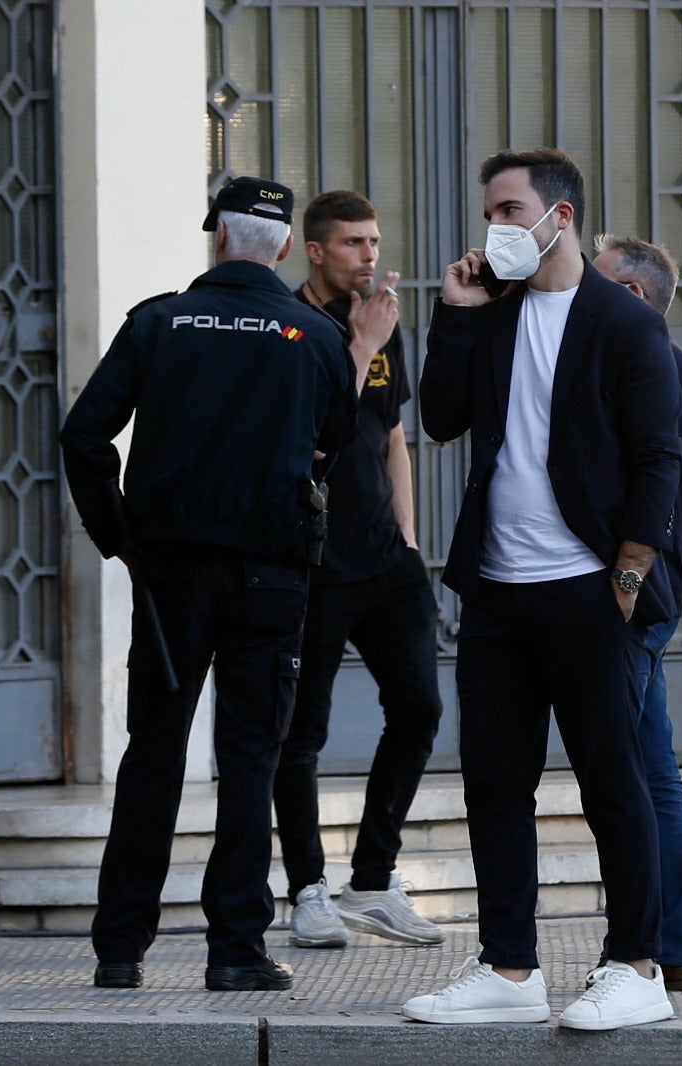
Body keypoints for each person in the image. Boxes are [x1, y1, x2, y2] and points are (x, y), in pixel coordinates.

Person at [402, 148, 682, 1031]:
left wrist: (630, 572)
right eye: (492, 210)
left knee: (614, 781)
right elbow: (441, 418)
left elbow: (659, 460)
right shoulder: (495, 312)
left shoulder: (624, 324)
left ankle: (637, 966)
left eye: (511, 209)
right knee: (494, 782)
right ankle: (510, 968)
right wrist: (453, 315)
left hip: (589, 590)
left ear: (559, 218)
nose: (497, 227)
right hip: (497, 588)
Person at [60, 176, 361, 993]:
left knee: (152, 757)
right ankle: (235, 949)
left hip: (169, 579)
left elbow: (83, 436)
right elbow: (340, 434)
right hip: (271, 579)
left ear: (218, 238)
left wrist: (118, 536)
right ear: (287, 248)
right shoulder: (316, 334)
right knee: (250, 759)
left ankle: (119, 951)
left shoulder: (158, 323)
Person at [273, 190, 445, 949]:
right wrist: (364, 347)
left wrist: (409, 535)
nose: (369, 256)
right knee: (299, 733)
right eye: (352, 244)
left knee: (419, 711)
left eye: (373, 241)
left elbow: (393, 436)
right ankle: (308, 889)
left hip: (385, 561)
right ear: (315, 251)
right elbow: (310, 427)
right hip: (310, 565)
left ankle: (373, 878)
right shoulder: (289, 328)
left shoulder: (381, 317)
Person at [591, 233, 682, 991]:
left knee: (637, 772)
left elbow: (648, 485)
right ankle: (666, 943)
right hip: (644, 593)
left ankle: (656, 944)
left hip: (632, 595)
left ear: (630, 295)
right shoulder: (659, 361)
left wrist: (626, 584)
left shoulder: (649, 362)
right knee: (649, 766)